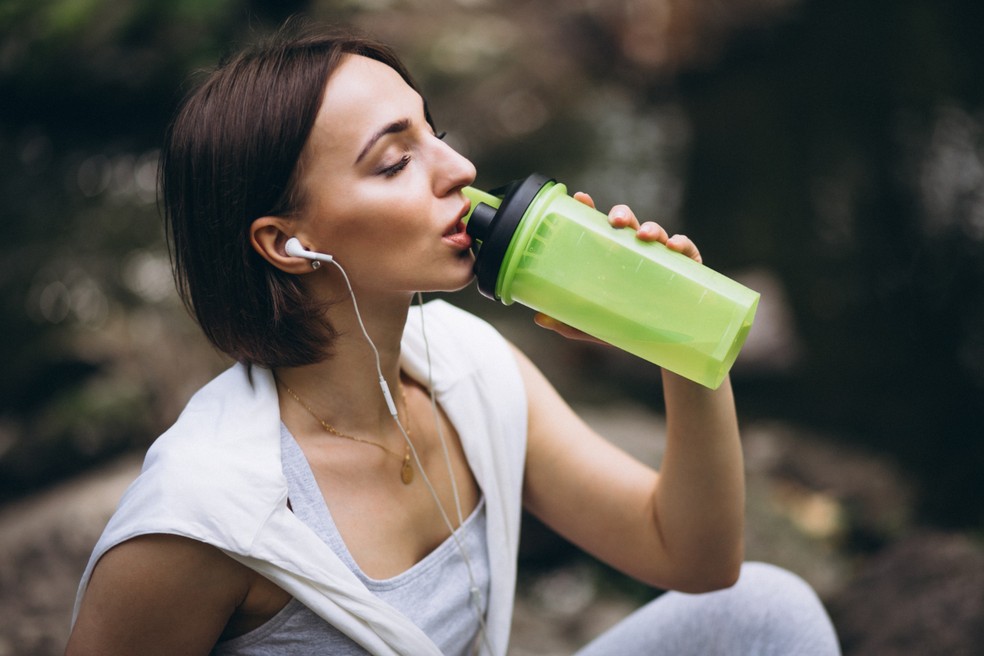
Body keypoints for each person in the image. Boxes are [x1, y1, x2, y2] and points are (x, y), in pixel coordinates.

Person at [65, 22, 840, 656]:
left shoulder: (471, 370)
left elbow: (695, 558)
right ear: (286, 243)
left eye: (435, 133)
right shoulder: (206, 517)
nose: (461, 169)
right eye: (396, 161)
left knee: (766, 611)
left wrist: (678, 337)